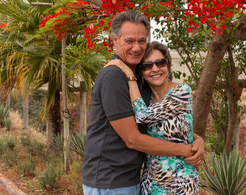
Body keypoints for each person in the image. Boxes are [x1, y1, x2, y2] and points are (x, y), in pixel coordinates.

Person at [82, 10, 204, 195]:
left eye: (141, 41)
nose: (136, 48)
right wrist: (186, 150)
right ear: (115, 41)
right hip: (110, 181)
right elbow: (133, 139)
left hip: (133, 180)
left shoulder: (140, 81)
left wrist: (198, 141)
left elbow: (163, 127)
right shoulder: (113, 75)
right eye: (129, 41)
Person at [105, 41, 200, 194]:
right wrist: (198, 139)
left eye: (160, 63)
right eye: (147, 65)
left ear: (168, 65)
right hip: (151, 184)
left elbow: (143, 117)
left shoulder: (181, 91)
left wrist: (129, 75)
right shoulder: (145, 99)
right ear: (142, 72)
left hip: (181, 182)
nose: (155, 69)